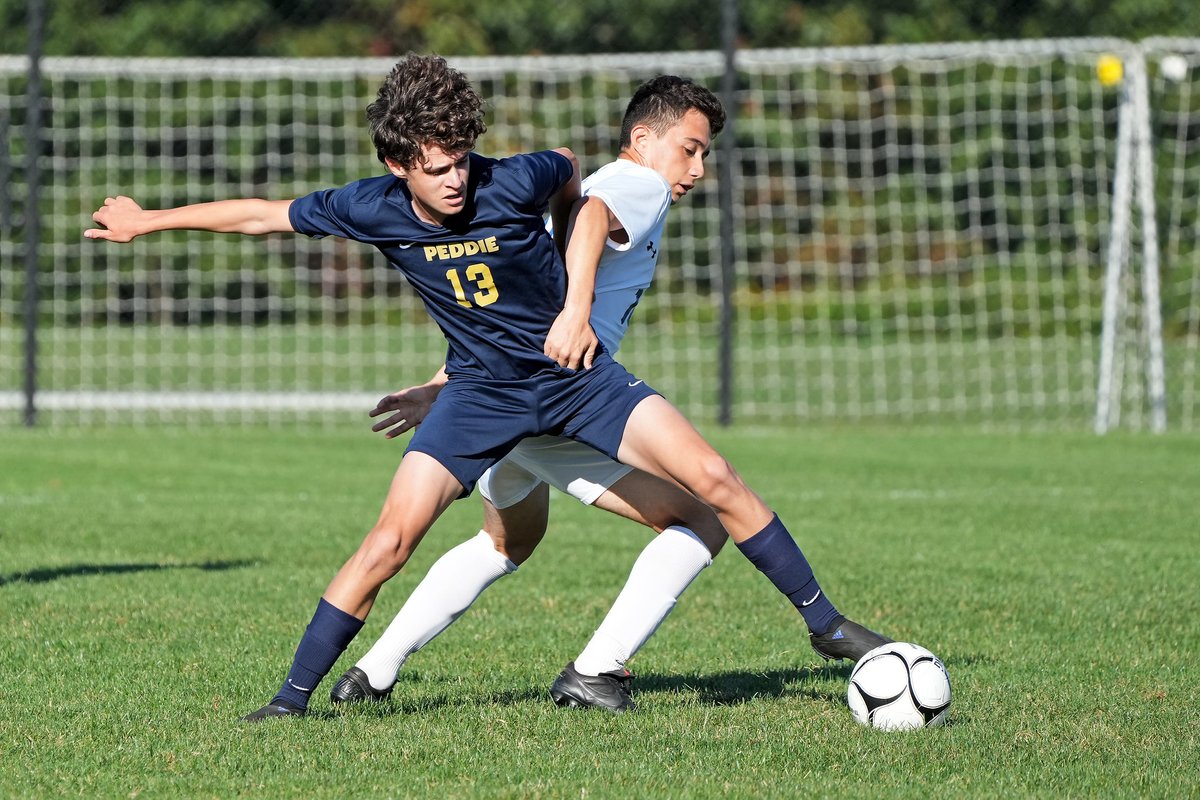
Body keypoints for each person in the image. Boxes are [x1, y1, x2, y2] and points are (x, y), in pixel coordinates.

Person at [86, 55, 888, 723]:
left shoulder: (514, 178)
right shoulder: (371, 207)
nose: (455, 181)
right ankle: (290, 702)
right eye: (435, 169)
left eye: (462, 159)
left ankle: (822, 625)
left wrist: (572, 304)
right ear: (398, 166)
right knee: (390, 541)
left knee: (711, 481)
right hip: (482, 397)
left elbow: (572, 184)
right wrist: (147, 220)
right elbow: (263, 214)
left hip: (575, 383)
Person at [328, 75, 887, 714]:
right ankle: (603, 668)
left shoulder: (595, 182)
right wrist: (577, 310)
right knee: (703, 516)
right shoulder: (637, 185)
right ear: (643, 140)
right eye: (690, 148)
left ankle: (372, 671)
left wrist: (444, 385)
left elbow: (498, 302)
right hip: (558, 396)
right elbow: (591, 221)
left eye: (705, 154)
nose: (698, 168)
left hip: (505, 395)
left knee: (507, 542)